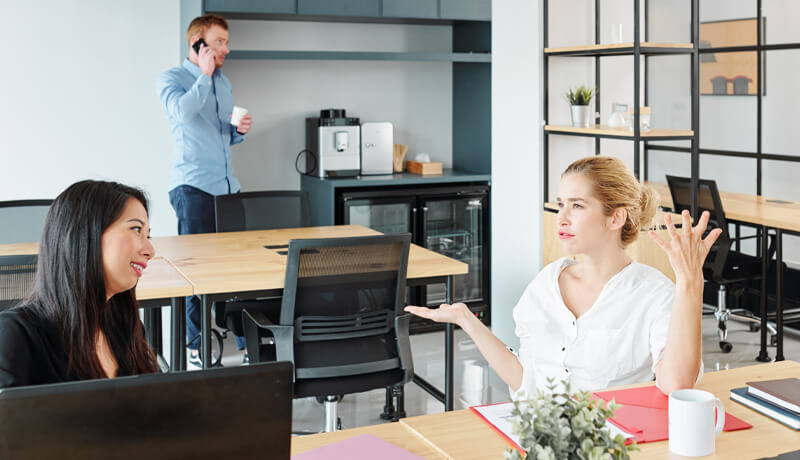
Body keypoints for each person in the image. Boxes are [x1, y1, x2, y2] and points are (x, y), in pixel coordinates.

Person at [405, 156, 722, 396]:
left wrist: (691, 283)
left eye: (578, 206)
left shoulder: (654, 294)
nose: (563, 217)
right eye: (561, 205)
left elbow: (677, 385)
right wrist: (466, 319)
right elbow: (524, 377)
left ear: (616, 218)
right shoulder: (547, 282)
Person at [157, 14, 254, 366]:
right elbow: (182, 114)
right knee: (194, 271)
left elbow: (222, 135)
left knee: (238, 270)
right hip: (193, 187)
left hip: (229, 188)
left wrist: (239, 130)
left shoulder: (223, 83)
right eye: (219, 42)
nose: (226, 49)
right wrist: (204, 75)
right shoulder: (173, 79)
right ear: (198, 43)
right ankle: (197, 347)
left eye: (227, 42)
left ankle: (247, 345)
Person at [0, 180, 159, 388]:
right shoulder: (14, 335)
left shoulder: (125, 327)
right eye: (136, 229)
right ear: (84, 234)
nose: (150, 249)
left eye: (148, 234)